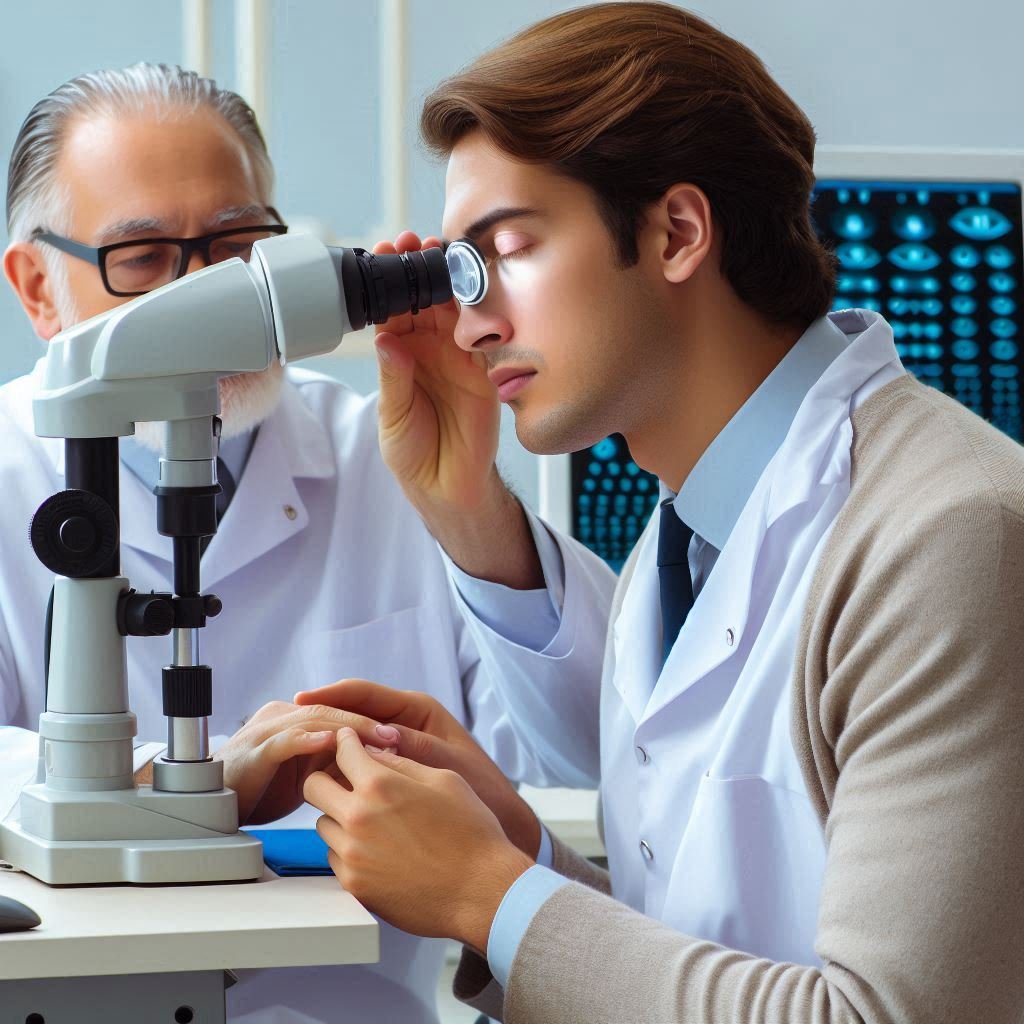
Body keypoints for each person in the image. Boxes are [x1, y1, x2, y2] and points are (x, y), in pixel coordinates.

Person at [298, 4, 1024, 1023]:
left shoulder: (953, 532)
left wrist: (488, 894)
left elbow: (884, 1015)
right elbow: (705, 943)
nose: (468, 324)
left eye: (506, 250)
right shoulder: (679, 539)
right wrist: (514, 855)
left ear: (676, 232)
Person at [0, 64, 616, 1023]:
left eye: (237, 246)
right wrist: (177, 787)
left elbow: (597, 756)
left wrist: (471, 510)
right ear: (39, 288)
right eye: (147, 257)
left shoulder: (387, 455)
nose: (204, 300)